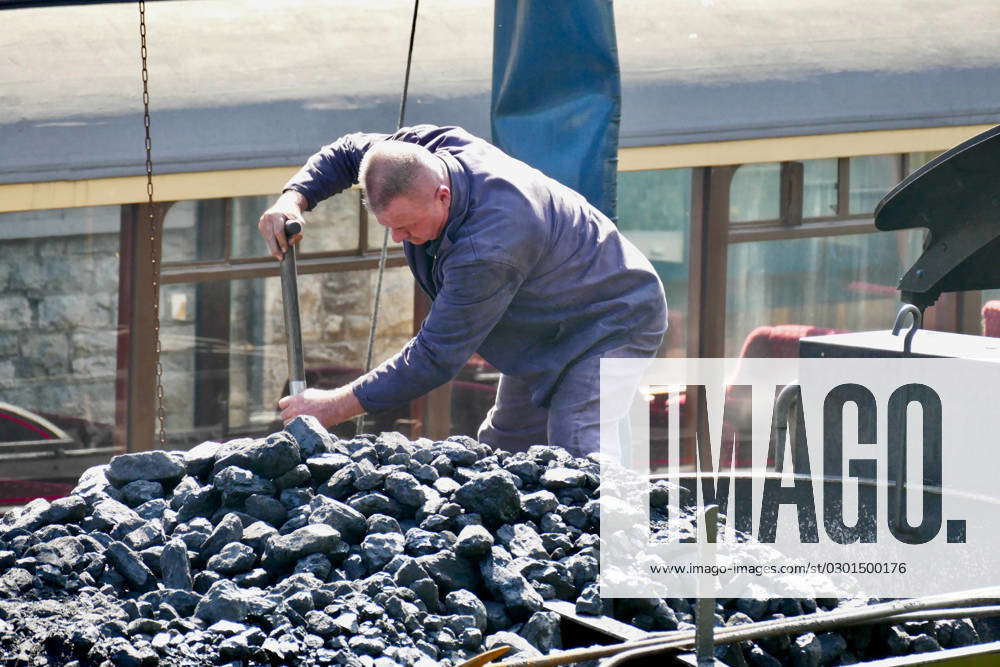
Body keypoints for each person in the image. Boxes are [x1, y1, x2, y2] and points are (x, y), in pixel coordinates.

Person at [258, 124, 667, 457]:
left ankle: (605, 547)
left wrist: (333, 406)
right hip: (546, 324)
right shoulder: (424, 150)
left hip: (613, 321)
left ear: (442, 195)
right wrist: (294, 200)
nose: (400, 238)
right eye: (390, 228)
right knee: (504, 449)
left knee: (574, 448)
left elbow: (435, 356)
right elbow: (349, 152)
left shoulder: (488, 247)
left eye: (407, 226)